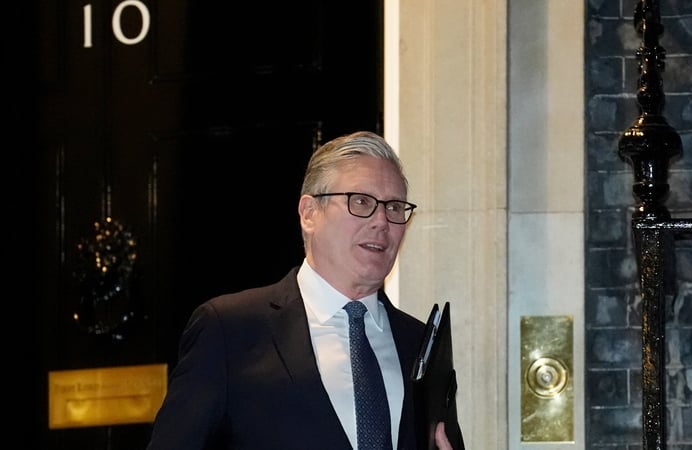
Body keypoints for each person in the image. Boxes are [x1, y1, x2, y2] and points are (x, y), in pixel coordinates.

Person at [146, 131, 462, 449]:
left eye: (394, 207)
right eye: (362, 202)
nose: (381, 220)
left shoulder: (421, 345)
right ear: (309, 213)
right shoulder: (229, 330)